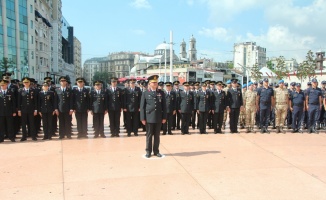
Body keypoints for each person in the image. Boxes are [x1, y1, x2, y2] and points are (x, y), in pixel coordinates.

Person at [140, 75, 166, 158]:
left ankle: (156, 151)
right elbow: (142, 107)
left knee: (157, 135)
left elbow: (164, 106)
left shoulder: (161, 93)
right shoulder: (145, 93)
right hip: (149, 117)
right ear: (150, 83)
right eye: (153, 82)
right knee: (149, 135)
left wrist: (164, 117)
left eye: (156, 82)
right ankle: (148, 151)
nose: (155, 84)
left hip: (158, 117)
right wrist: (142, 118)